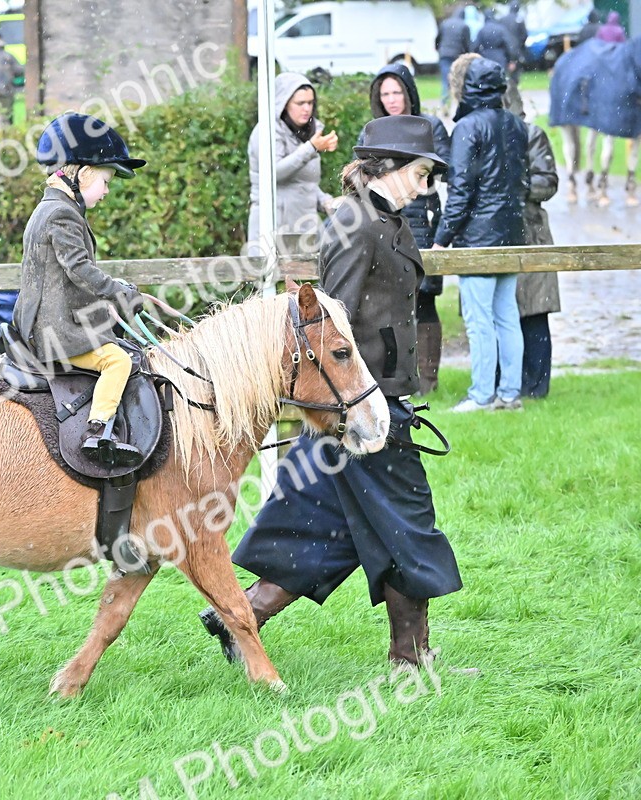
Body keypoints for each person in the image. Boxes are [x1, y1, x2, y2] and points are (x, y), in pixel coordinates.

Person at [201, 116, 461, 672]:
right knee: (406, 522)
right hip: (362, 405)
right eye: (420, 171)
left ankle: (239, 615)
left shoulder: (387, 220)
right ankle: (410, 661)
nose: (426, 182)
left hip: (375, 398)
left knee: (329, 524)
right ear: (387, 168)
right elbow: (326, 324)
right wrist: (351, 404)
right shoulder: (355, 223)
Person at [13, 112, 146, 469]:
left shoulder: (50, 208)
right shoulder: (62, 214)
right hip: (55, 332)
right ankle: (98, 431)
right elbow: (80, 270)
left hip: (47, 323)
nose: (106, 191)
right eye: (105, 180)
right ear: (83, 174)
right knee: (118, 360)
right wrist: (119, 292)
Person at [433, 55, 529, 413]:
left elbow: (460, 191)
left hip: (478, 238)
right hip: (512, 233)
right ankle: (509, 393)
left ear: (466, 88)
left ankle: (481, 395)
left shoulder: (468, 128)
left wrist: (441, 238)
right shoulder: (516, 125)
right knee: (507, 316)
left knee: (479, 320)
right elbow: (523, 182)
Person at [363, 65, 452, 394]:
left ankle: (427, 382)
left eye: (397, 92)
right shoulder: (372, 130)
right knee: (390, 303)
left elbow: (442, 171)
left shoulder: (431, 127)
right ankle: (394, 379)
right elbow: (366, 178)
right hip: (385, 222)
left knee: (425, 301)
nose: (391, 99)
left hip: (423, 222)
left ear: (409, 93)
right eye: (385, 93)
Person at [247, 73, 337, 256]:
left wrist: (326, 201)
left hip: (304, 229)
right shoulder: (266, 132)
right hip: (273, 229)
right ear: (284, 102)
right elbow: (274, 173)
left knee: (316, 280)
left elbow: (303, 184)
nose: (307, 109)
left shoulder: (306, 132)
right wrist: (311, 147)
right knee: (274, 284)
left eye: (310, 103)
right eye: (300, 103)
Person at [517, 117, 561, 399]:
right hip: (491, 231)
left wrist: (512, 184)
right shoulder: (476, 128)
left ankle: (536, 388)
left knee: (534, 313)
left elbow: (548, 182)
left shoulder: (532, 134)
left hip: (530, 232)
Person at [436, 6, 472, 112]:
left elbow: (438, 38)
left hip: (444, 54)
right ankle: (459, 105)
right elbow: (467, 44)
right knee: (459, 80)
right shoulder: (464, 26)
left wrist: (438, 49)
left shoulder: (445, 23)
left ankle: (445, 104)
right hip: (458, 56)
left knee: (445, 80)